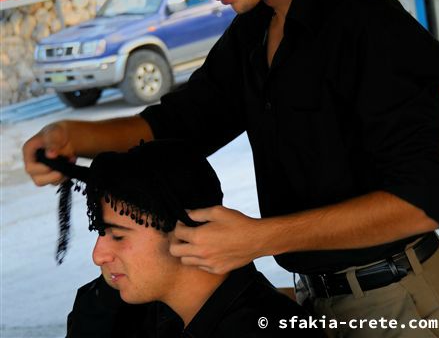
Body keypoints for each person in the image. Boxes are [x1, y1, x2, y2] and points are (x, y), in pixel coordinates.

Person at [23, 0, 439, 336]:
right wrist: (72, 136)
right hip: (315, 300)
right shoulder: (254, 32)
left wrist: (257, 239)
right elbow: (179, 126)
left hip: (399, 302)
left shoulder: (371, 27)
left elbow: (420, 201)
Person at [37, 140, 323, 337]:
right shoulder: (129, 311)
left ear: (192, 233)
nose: (98, 255)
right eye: (101, 232)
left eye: (118, 235)